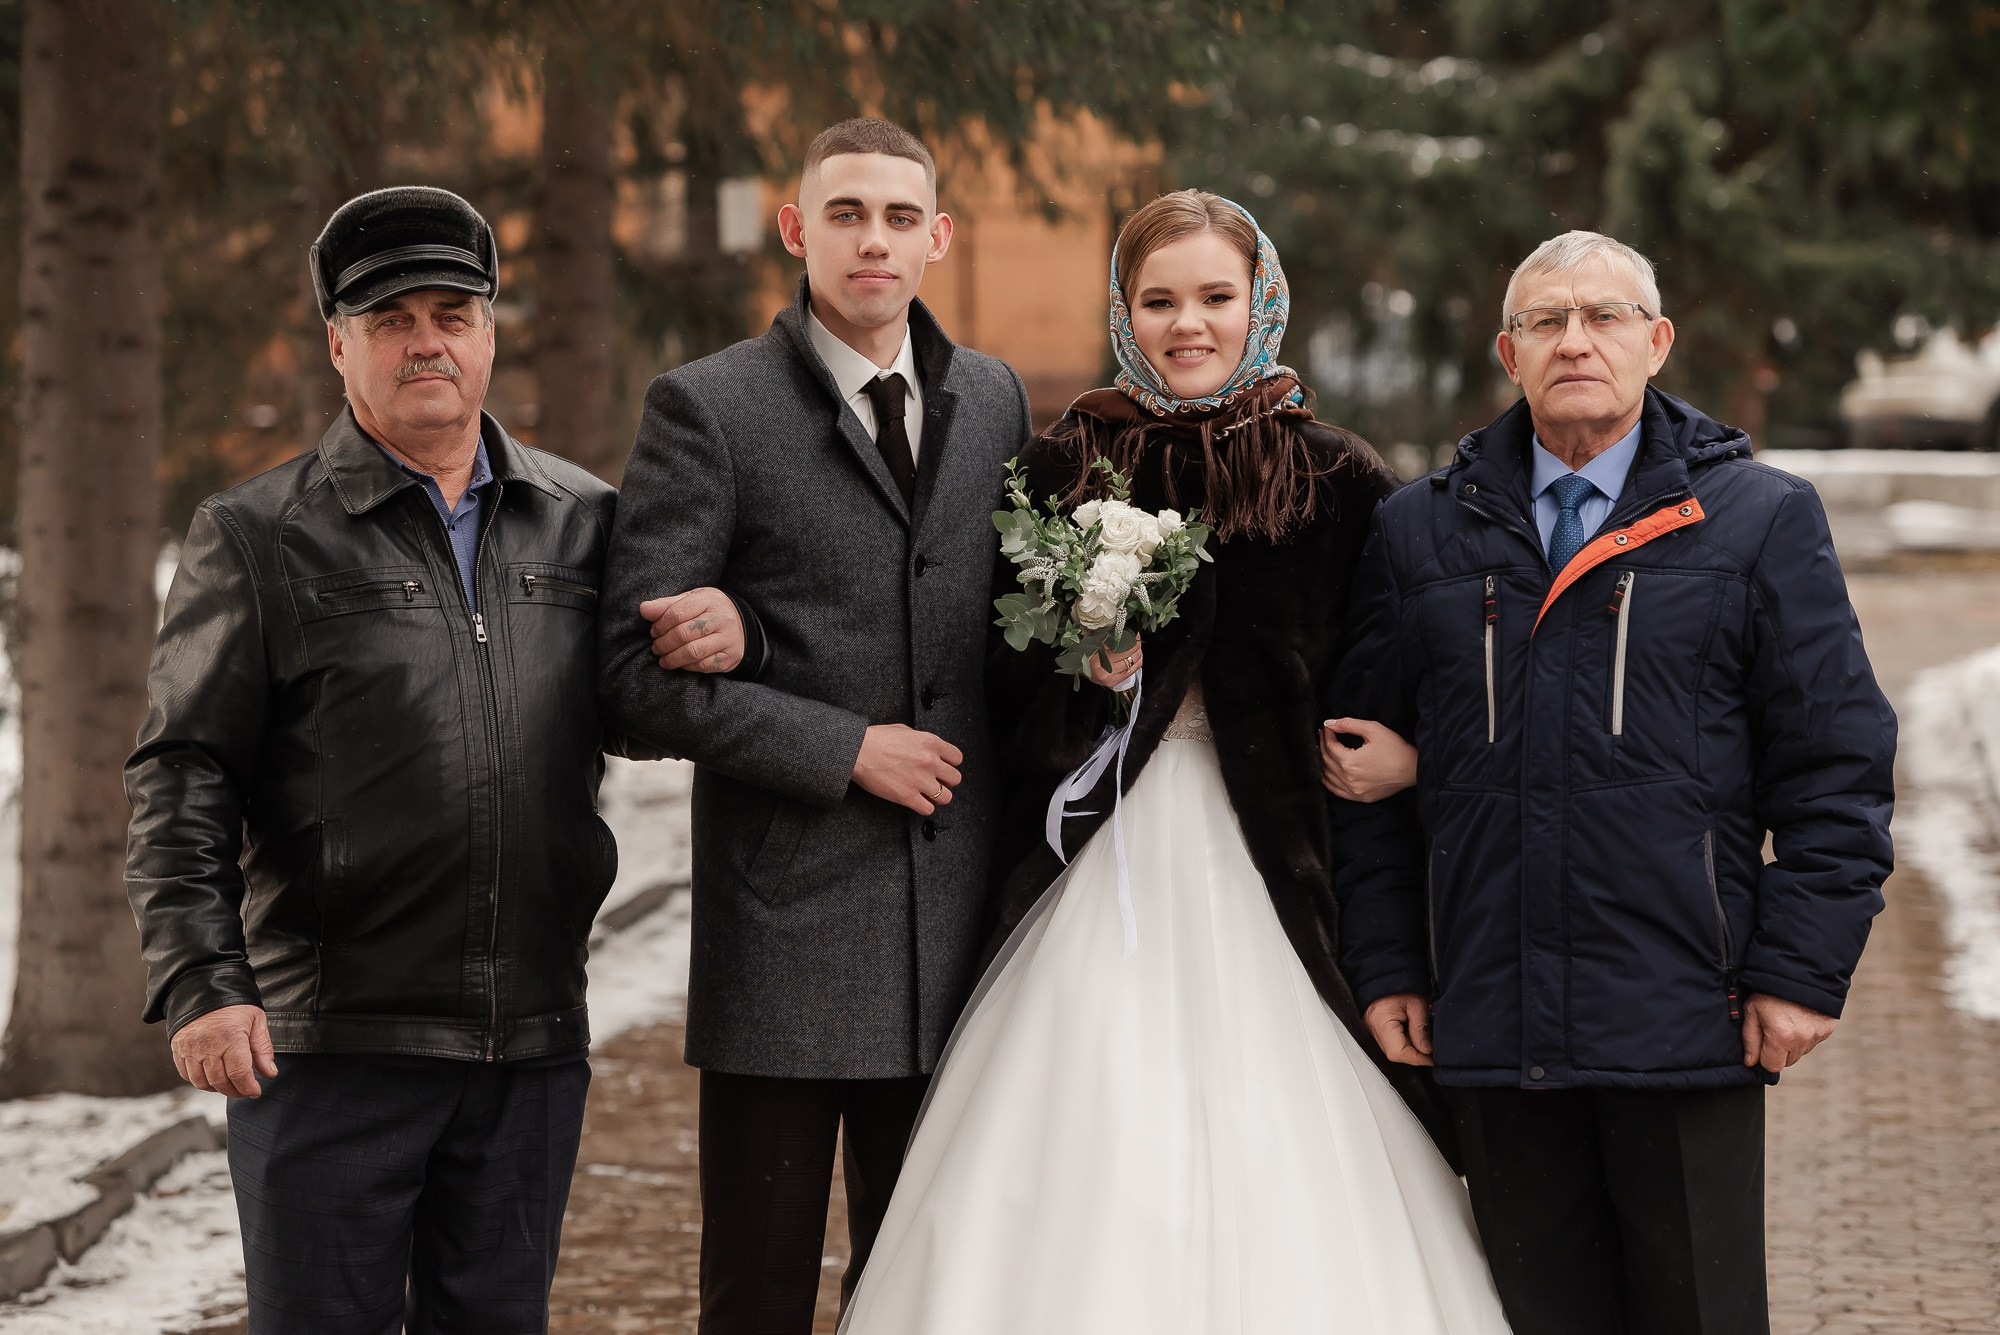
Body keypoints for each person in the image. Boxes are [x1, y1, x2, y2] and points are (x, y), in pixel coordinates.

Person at [838, 190, 1511, 1334]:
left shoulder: (1336, 478)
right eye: (1158, 300)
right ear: (1123, 310)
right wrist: (1087, 683)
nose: (1185, 324)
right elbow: (996, 681)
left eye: (1213, 297)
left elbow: (1425, 670)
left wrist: (1416, 757)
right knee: (1084, 1111)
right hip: (1106, 851)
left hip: (1282, 864)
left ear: (1263, 305)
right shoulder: (1065, 463)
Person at [1330, 230, 1897, 1335]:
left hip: (1688, 1014)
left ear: (1655, 340)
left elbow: (1834, 763)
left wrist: (1800, 969)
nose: (1574, 340)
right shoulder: (1417, 531)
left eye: (1601, 316)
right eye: (1545, 321)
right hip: (1489, 1016)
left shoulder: (1756, 520)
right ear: (1507, 352)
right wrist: (1391, 961)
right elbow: (1363, 774)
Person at [124, 187, 622, 1332]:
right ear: (338, 342)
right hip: (331, 1047)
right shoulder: (255, 536)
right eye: (391, 318)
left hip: (529, 1044)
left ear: (491, 332)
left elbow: (644, 709)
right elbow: (182, 771)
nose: (427, 340)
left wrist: (718, 638)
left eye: (453, 312)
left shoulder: (584, 521)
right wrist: (203, 982)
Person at [595, 118, 1032, 1333]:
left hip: (956, 940)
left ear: (936, 239)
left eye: (898, 218)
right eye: (845, 214)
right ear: (797, 230)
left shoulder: (993, 399)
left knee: (923, 1288)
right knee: (759, 1295)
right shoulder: (706, 409)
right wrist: (842, 748)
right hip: (785, 936)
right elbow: (632, 683)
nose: (872, 240)